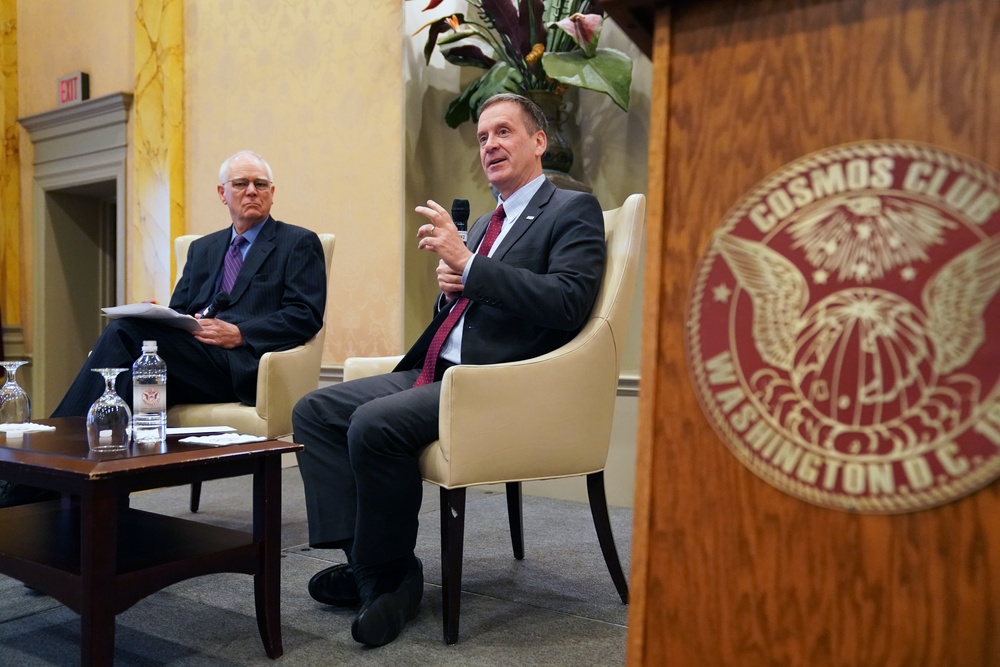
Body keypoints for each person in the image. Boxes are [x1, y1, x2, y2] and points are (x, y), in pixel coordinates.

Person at [293, 93, 607, 647]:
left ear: (539, 141)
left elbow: (567, 303)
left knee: (373, 425)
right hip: (441, 368)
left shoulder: (569, 210)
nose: (490, 145)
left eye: (504, 132)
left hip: (497, 383)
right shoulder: (488, 221)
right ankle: (373, 565)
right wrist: (454, 286)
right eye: (483, 137)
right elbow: (475, 304)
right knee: (315, 411)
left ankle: (386, 578)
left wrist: (470, 267)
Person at [48, 149, 327, 418]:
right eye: (241, 183)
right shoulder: (203, 248)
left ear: (272, 193)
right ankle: (115, 454)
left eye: (261, 184)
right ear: (222, 193)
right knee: (133, 360)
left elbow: (305, 315)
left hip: (242, 364)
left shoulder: (297, 242)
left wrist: (240, 333)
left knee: (124, 333)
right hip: (191, 356)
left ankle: (61, 434)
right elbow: (177, 310)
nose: (252, 191)